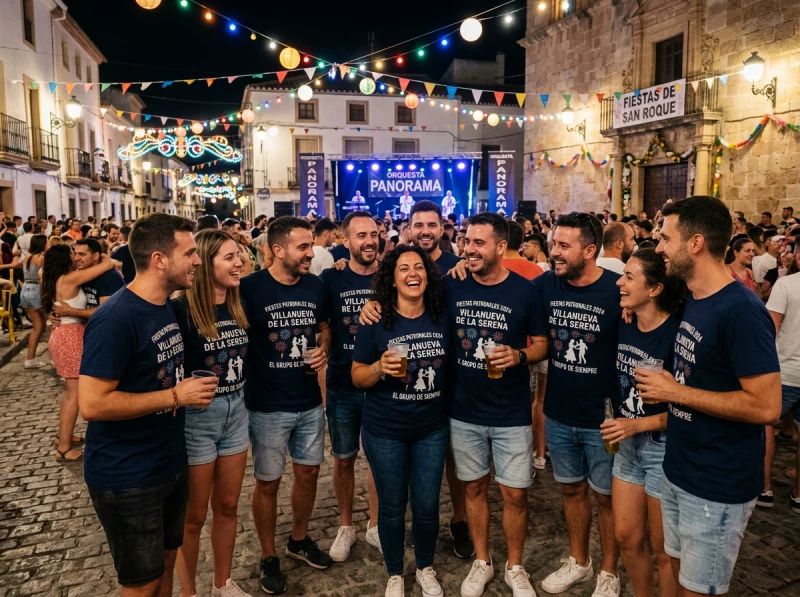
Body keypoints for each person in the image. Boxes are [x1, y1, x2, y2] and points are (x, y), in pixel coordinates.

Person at [638, 196, 781, 596]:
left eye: (666, 239)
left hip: (717, 484)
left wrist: (676, 392)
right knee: (674, 569)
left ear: (696, 243)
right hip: (680, 468)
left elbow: (767, 406)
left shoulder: (742, 311)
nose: (659, 248)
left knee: (697, 590)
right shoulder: (695, 297)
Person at [78, 214, 217, 596]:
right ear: (159, 259)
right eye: (189, 253)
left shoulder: (169, 308)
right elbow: (92, 403)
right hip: (127, 475)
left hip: (169, 463)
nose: (197, 260)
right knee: (142, 584)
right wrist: (176, 396)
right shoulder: (115, 319)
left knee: (166, 563)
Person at [240, 217, 332, 594]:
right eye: (303, 247)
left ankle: (298, 539)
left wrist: (323, 348)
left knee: (308, 474)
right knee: (268, 481)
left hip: (309, 402)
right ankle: (268, 555)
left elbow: (324, 327)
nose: (311, 253)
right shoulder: (249, 288)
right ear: (278, 250)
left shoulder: (315, 285)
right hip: (266, 405)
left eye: (311, 245)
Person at [532, 213, 622, 597]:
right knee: (571, 491)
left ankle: (609, 571)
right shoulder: (547, 284)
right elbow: (504, 290)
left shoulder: (618, 290)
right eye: (553, 243)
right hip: (559, 412)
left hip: (604, 418)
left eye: (563, 246)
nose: (554, 252)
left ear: (589, 250)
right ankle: (580, 562)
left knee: (607, 498)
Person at [352, 245, 449, 597]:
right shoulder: (375, 319)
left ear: (428, 275)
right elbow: (357, 377)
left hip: (431, 429)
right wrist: (379, 368)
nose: (412, 273)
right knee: (392, 507)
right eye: (403, 268)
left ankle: (424, 567)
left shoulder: (441, 315)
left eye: (419, 267)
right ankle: (395, 572)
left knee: (426, 505)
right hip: (385, 431)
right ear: (392, 279)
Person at [173, 229, 252, 597]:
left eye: (239, 255)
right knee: (193, 517)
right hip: (198, 418)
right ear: (205, 263)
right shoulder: (181, 310)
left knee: (228, 505)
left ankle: (222, 583)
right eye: (229, 257)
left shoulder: (238, 302)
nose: (239, 263)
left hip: (237, 410)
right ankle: (189, 592)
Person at [600, 249, 683, 597]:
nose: (620, 282)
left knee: (665, 550)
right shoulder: (625, 321)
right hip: (628, 446)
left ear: (654, 289)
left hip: (662, 449)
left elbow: (689, 410)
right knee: (626, 537)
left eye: (629, 277)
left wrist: (637, 425)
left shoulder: (677, 335)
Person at [320, 212, 382, 562]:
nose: (369, 241)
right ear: (345, 240)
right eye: (361, 235)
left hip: (380, 383)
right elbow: (324, 324)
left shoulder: (389, 275)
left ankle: (375, 524)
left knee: (378, 459)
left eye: (373, 234)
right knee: (343, 458)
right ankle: (346, 525)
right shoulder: (331, 277)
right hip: (343, 383)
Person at [42, 245, 116, 461]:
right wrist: (103, 255)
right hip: (70, 337)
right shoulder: (71, 278)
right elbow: (107, 264)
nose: (76, 257)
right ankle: (64, 448)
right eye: (73, 254)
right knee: (74, 395)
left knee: (70, 392)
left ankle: (63, 435)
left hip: (63, 335)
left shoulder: (56, 280)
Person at [762, 242, 800, 511]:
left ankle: (763, 488)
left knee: (765, 426)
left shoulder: (786, 284)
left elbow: (769, 330)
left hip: (785, 370)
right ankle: (799, 495)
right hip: (787, 369)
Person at [19, 234, 47, 369]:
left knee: (37, 326)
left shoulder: (27, 257)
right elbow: (43, 277)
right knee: (48, 323)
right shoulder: (41, 258)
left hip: (25, 289)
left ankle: (30, 359)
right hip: (36, 289)